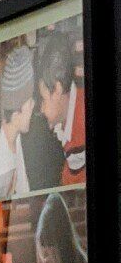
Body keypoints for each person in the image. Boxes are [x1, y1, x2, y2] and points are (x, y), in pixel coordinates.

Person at [26, 25, 85, 189]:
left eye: (44, 100)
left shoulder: (76, 137)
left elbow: (71, 185)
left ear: (58, 89)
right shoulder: (76, 101)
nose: (43, 109)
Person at [0, 43, 36, 198]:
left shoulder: (16, 138)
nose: (33, 107)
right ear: (17, 113)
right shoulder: (0, 161)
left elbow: (24, 188)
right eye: (30, 103)